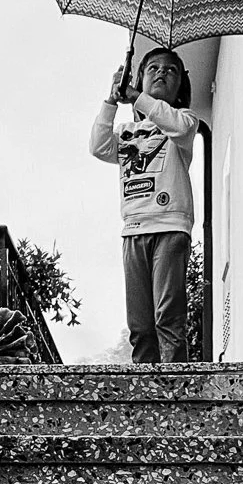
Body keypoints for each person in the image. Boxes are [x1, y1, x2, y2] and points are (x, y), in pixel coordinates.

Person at [90, 48, 198, 363]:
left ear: (181, 87)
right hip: (134, 229)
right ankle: (145, 387)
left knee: (168, 315)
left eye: (171, 70)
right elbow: (98, 147)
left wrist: (137, 96)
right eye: (152, 67)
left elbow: (175, 124)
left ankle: (176, 387)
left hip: (170, 226)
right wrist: (111, 101)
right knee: (140, 324)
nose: (161, 73)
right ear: (140, 76)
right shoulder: (125, 133)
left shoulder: (183, 122)